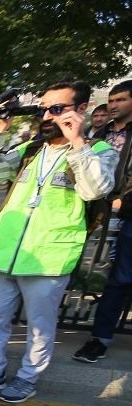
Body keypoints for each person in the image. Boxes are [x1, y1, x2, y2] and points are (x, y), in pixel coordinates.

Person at [0, 81, 117, 402]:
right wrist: (2, 129)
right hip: (6, 252)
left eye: (57, 109)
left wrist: (77, 143)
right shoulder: (31, 149)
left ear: (81, 110)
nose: (48, 115)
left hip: (49, 258)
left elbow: (95, 190)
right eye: (44, 108)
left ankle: (28, 377)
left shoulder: (99, 151)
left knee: (39, 328)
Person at [72, 80, 132, 363]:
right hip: (97, 211)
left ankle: (101, 338)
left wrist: (123, 199)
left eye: (120, 99)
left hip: (127, 212)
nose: (113, 105)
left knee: (121, 277)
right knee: (106, 276)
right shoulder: (99, 134)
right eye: (111, 100)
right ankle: (98, 336)